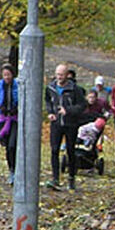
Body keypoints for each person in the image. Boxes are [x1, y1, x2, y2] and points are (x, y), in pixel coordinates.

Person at [44, 63, 87, 191]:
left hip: (70, 124)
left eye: (62, 75)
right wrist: (50, 112)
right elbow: (48, 101)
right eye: (57, 74)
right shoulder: (50, 87)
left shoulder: (75, 89)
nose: (59, 77)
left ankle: (71, 178)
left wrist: (68, 110)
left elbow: (82, 105)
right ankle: (55, 178)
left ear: (67, 75)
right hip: (56, 123)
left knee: (70, 151)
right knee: (54, 150)